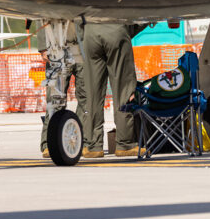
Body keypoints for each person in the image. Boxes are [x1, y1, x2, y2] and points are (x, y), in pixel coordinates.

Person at [82, 24, 141, 158]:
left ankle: (93, 146)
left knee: (93, 94)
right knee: (123, 89)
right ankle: (124, 144)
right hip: (115, 27)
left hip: (90, 32)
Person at [37, 21, 86, 159]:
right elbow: (41, 14)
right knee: (55, 100)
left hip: (82, 47)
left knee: (86, 98)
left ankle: (79, 139)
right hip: (57, 48)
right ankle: (49, 143)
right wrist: (43, 47)